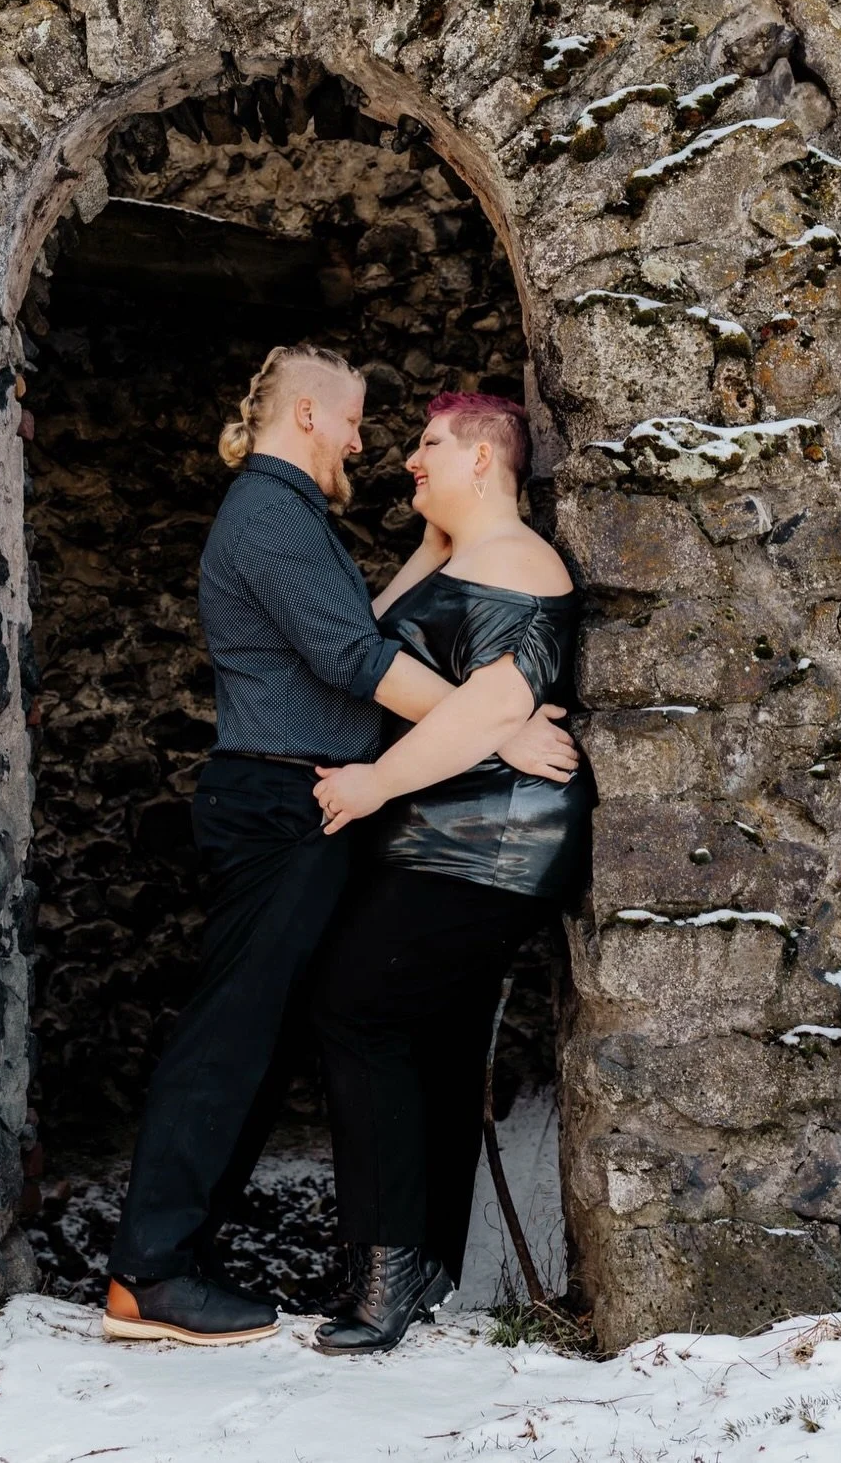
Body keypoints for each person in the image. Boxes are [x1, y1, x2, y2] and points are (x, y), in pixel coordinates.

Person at [102, 349, 581, 1346]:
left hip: (322, 804)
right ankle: (152, 1268)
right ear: (311, 415)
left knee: (286, 1030)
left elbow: (367, 630)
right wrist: (496, 723)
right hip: (287, 797)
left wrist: (438, 551)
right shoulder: (272, 514)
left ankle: (194, 1261)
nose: (377, 445)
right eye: (362, 422)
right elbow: (358, 656)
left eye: (414, 437)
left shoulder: (293, 514)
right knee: (240, 1033)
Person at [308, 391, 595, 1357]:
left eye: (430, 446)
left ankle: (389, 1272)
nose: (410, 463)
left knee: (357, 1008)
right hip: (447, 834)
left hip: (486, 840)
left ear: (485, 458)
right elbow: (376, 633)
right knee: (424, 1034)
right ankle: (413, 1258)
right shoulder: (466, 556)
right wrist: (434, 542)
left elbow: (491, 706)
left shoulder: (519, 559)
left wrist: (373, 780)